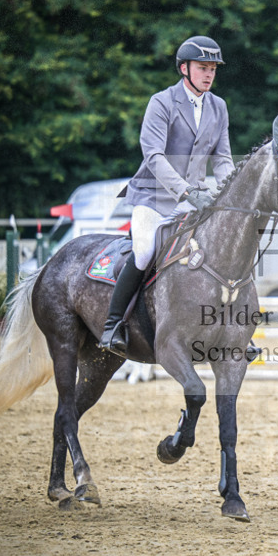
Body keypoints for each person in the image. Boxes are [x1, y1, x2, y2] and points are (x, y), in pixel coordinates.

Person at [99, 35, 235, 355]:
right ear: (184, 68)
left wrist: (230, 193)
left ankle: (232, 329)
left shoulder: (219, 106)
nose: (209, 74)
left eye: (213, 69)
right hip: (155, 196)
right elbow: (154, 156)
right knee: (145, 251)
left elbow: (224, 158)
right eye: (203, 68)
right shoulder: (162, 102)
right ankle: (113, 325)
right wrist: (185, 190)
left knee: (223, 250)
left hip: (198, 199)